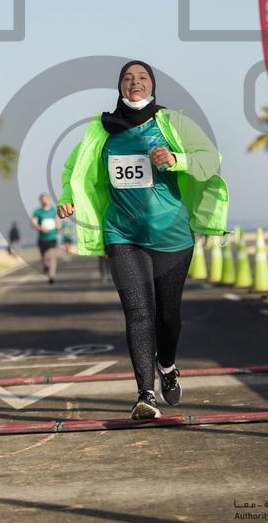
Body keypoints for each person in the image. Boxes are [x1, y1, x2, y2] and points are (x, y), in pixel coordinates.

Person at [57, 60, 228, 420]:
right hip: (122, 234)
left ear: (152, 85)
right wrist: (68, 197)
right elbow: (76, 169)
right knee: (138, 312)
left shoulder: (172, 122)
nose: (135, 83)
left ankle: (167, 365)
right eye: (128, 78)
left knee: (168, 315)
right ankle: (145, 395)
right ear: (119, 86)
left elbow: (210, 158)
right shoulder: (101, 128)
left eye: (142, 77)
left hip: (172, 234)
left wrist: (176, 159)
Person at [31, 193, 60, 283]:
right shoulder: (38, 212)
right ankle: (46, 266)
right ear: (40, 201)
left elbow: (57, 221)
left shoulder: (53, 210)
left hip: (52, 237)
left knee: (52, 257)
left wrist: (59, 227)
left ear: (49, 200)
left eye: (46, 199)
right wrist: (40, 228)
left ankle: (52, 276)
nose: (44, 201)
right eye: (42, 199)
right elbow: (33, 223)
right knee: (44, 258)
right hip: (42, 239)